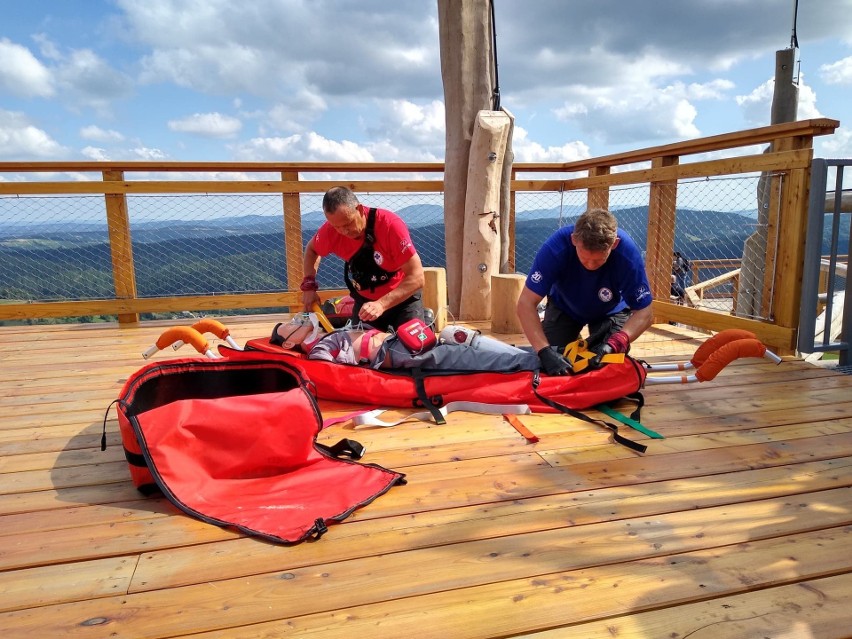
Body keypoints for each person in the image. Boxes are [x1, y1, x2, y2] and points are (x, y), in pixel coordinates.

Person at [516, 208, 653, 376]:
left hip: (610, 311)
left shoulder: (627, 254)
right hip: (564, 306)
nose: (590, 265)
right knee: (549, 363)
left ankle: (588, 344)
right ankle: (575, 342)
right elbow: (526, 303)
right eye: (584, 258)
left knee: (603, 365)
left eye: (598, 259)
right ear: (574, 240)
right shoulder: (555, 248)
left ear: (614, 244)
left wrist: (617, 342)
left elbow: (645, 312)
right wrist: (544, 351)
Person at [301, 186, 425, 331]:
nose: (344, 231)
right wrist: (309, 286)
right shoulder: (330, 232)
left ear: (359, 210)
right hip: (365, 304)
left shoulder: (390, 225)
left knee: (414, 347)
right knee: (358, 349)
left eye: (348, 223)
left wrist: (381, 304)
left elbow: (417, 277)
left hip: (402, 299)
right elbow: (311, 250)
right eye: (337, 227)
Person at [271, 315, 541, 373]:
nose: (298, 320)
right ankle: (536, 361)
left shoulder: (331, 331)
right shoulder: (320, 347)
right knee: (465, 356)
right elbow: (323, 371)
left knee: (460, 338)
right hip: (399, 352)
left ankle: (536, 353)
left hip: (402, 341)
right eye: (292, 325)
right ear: (288, 344)